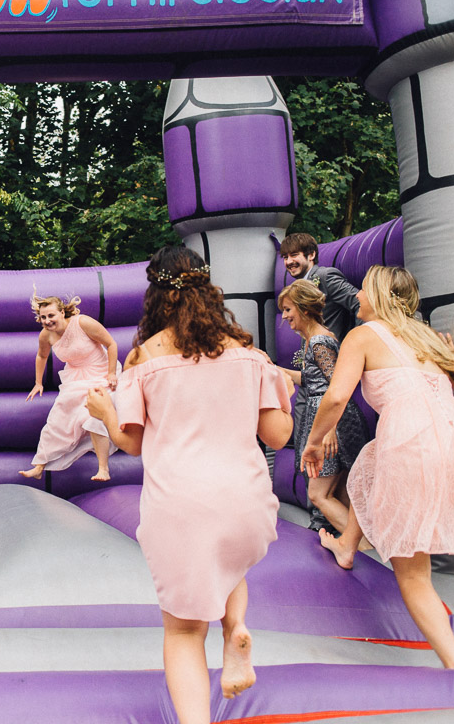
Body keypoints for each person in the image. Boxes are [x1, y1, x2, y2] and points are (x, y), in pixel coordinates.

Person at [86, 246, 292, 724]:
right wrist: (286, 393)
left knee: (182, 633)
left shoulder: (144, 358)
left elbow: (131, 444)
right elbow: (278, 436)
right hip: (244, 499)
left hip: (180, 504)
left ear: (156, 293)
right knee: (226, 558)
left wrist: (105, 412)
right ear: (208, 288)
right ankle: (235, 626)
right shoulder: (249, 355)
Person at [304, 265, 454, 670]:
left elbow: (335, 398)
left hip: (414, 443)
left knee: (414, 576)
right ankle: (347, 546)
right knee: (369, 464)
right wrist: (446, 357)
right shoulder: (427, 337)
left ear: (380, 297)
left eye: (363, 290)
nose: (357, 298)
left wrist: (314, 443)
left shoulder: (361, 336)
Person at [277, 280, 368, 533]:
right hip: (325, 416)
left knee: (318, 495)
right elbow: (309, 380)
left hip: (330, 420)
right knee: (337, 494)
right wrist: (273, 369)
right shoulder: (315, 340)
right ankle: (355, 548)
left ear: (304, 308)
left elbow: (337, 386)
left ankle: (359, 544)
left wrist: (330, 429)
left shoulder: (320, 341)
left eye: (288, 309)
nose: (284, 317)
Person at [20, 293, 118, 482]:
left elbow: (111, 344)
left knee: (92, 417)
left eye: (51, 315)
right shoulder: (46, 335)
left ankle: (103, 469)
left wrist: (112, 373)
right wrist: (38, 383)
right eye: (43, 317)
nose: (47, 321)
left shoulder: (83, 323)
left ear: (62, 313)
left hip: (100, 373)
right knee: (58, 417)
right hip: (75, 378)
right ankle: (39, 466)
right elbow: (41, 356)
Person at [279, 232, 360, 342]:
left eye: (294, 255)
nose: (289, 262)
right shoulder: (297, 287)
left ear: (311, 255)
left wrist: (356, 343)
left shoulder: (325, 276)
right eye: (285, 257)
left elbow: (360, 303)